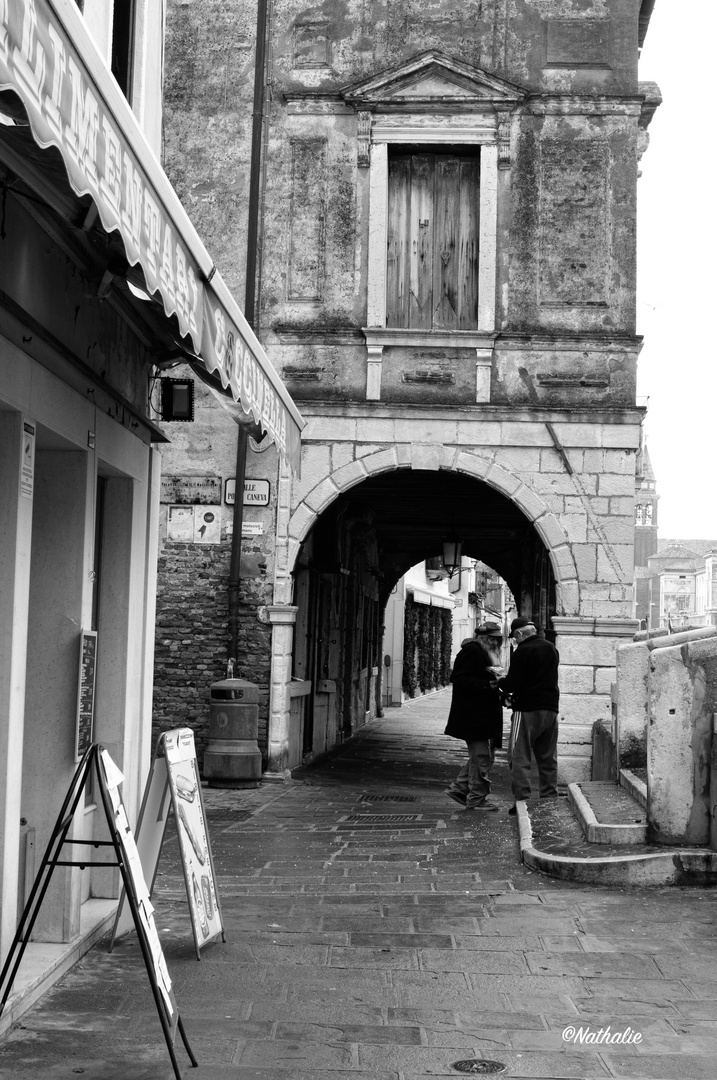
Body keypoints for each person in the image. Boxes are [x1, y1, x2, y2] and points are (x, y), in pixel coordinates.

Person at [498, 616, 560, 814]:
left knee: (519, 756)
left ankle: (522, 800)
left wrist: (500, 681)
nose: (514, 641)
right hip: (550, 710)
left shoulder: (522, 651)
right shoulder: (551, 648)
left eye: (514, 638)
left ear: (518, 634)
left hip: (526, 711)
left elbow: (513, 684)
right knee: (548, 757)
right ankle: (549, 798)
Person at [443, 622, 504, 811]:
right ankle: (476, 799)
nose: (496, 642)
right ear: (483, 638)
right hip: (474, 715)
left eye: (498, 638)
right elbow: (458, 678)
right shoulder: (471, 650)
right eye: (493, 638)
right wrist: (487, 685)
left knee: (483, 756)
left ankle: (459, 788)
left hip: (484, 714)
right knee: (482, 757)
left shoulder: (485, 652)